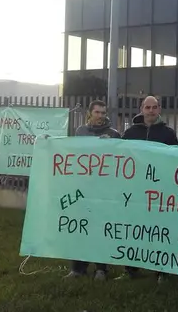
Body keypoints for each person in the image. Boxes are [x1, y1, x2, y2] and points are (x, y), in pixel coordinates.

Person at [117, 96, 178, 282]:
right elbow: (120, 156)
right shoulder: (130, 132)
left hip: (159, 191)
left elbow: (175, 159)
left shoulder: (168, 133)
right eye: (147, 107)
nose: (151, 111)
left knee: (159, 230)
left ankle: (161, 271)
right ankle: (130, 269)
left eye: (154, 107)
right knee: (134, 229)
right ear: (141, 109)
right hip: (136, 190)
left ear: (159, 109)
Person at [64, 100, 120, 281]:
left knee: (100, 227)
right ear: (90, 113)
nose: (100, 116)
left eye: (103, 113)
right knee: (80, 227)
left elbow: (120, 158)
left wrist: (109, 145)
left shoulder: (114, 134)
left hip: (104, 188)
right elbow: (72, 153)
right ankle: (78, 268)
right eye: (97, 112)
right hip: (83, 187)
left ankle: (101, 269)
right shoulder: (81, 132)